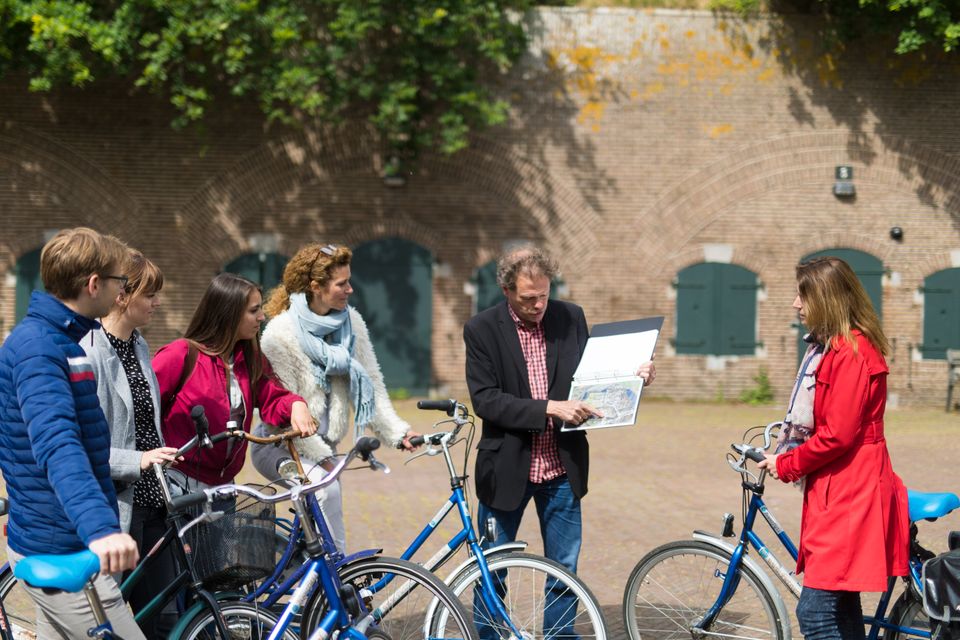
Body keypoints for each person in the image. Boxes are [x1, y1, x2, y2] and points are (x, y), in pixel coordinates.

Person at [463, 244, 655, 638]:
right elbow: (486, 400)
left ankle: (559, 635)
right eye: (528, 298)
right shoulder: (481, 329)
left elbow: (595, 378)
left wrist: (635, 375)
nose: (538, 305)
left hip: (561, 468)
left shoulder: (570, 317)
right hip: (507, 468)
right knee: (492, 566)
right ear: (507, 291)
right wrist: (549, 408)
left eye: (544, 295)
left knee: (564, 566)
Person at [0, 227, 146, 639]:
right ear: (93, 284)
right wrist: (101, 530)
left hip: (62, 533)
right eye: (121, 282)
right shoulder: (39, 349)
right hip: (63, 543)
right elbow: (58, 444)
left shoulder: (63, 341)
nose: (124, 292)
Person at [758, 257, 910, 640]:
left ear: (826, 299)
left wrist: (789, 463)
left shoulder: (849, 353)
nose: (796, 303)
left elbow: (838, 435)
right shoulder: (839, 348)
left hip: (850, 490)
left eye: (802, 294)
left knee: (816, 613)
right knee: (841, 606)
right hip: (842, 486)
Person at [249, 243, 420, 553]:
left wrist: (399, 432)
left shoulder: (351, 324)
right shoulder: (279, 334)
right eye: (342, 284)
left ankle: (317, 584)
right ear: (316, 287)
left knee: (322, 515)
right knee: (326, 493)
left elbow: (371, 384)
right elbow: (283, 409)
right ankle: (340, 577)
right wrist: (326, 460)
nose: (350, 289)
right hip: (280, 444)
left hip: (324, 446)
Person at [82, 248, 180, 639]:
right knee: (104, 620)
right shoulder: (89, 352)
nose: (158, 302)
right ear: (122, 296)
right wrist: (136, 460)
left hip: (154, 500)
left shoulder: (139, 346)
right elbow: (81, 447)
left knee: (160, 614)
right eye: (150, 294)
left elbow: (147, 426)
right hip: (115, 505)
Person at [153, 272, 315, 490]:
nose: (262, 316)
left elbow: (272, 397)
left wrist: (296, 404)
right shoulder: (180, 354)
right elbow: (144, 408)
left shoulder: (249, 359)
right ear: (228, 313)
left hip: (225, 484)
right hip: (178, 480)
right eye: (253, 310)